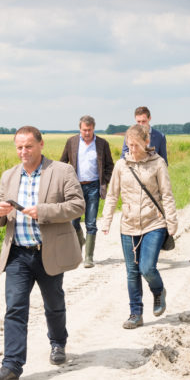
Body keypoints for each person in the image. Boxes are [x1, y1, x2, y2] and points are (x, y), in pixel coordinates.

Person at [0, 126, 85, 380]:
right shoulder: (9, 176)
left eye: (28, 146)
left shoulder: (62, 171)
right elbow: (1, 212)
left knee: (53, 303)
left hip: (49, 251)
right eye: (19, 147)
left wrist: (43, 211)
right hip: (18, 253)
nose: (23, 152)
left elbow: (77, 205)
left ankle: (58, 343)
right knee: (15, 309)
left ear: (41, 145)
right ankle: (11, 366)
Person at [100, 124, 178, 329]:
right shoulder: (121, 166)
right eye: (128, 145)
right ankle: (136, 313)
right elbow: (112, 195)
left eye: (135, 145)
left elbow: (167, 195)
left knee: (147, 268)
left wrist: (172, 222)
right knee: (132, 272)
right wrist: (106, 220)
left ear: (146, 143)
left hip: (154, 222)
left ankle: (158, 290)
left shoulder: (158, 163)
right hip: (128, 225)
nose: (131, 149)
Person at [59, 115, 115, 268]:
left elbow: (110, 165)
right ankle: (80, 243)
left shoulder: (102, 144)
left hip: (94, 187)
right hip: (75, 188)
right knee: (73, 222)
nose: (87, 133)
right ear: (80, 129)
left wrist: (105, 180)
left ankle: (88, 257)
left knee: (91, 222)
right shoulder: (72, 142)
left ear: (93, 129)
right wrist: (63, 182)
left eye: (89, 130)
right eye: (84, 130)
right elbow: (62, 163)